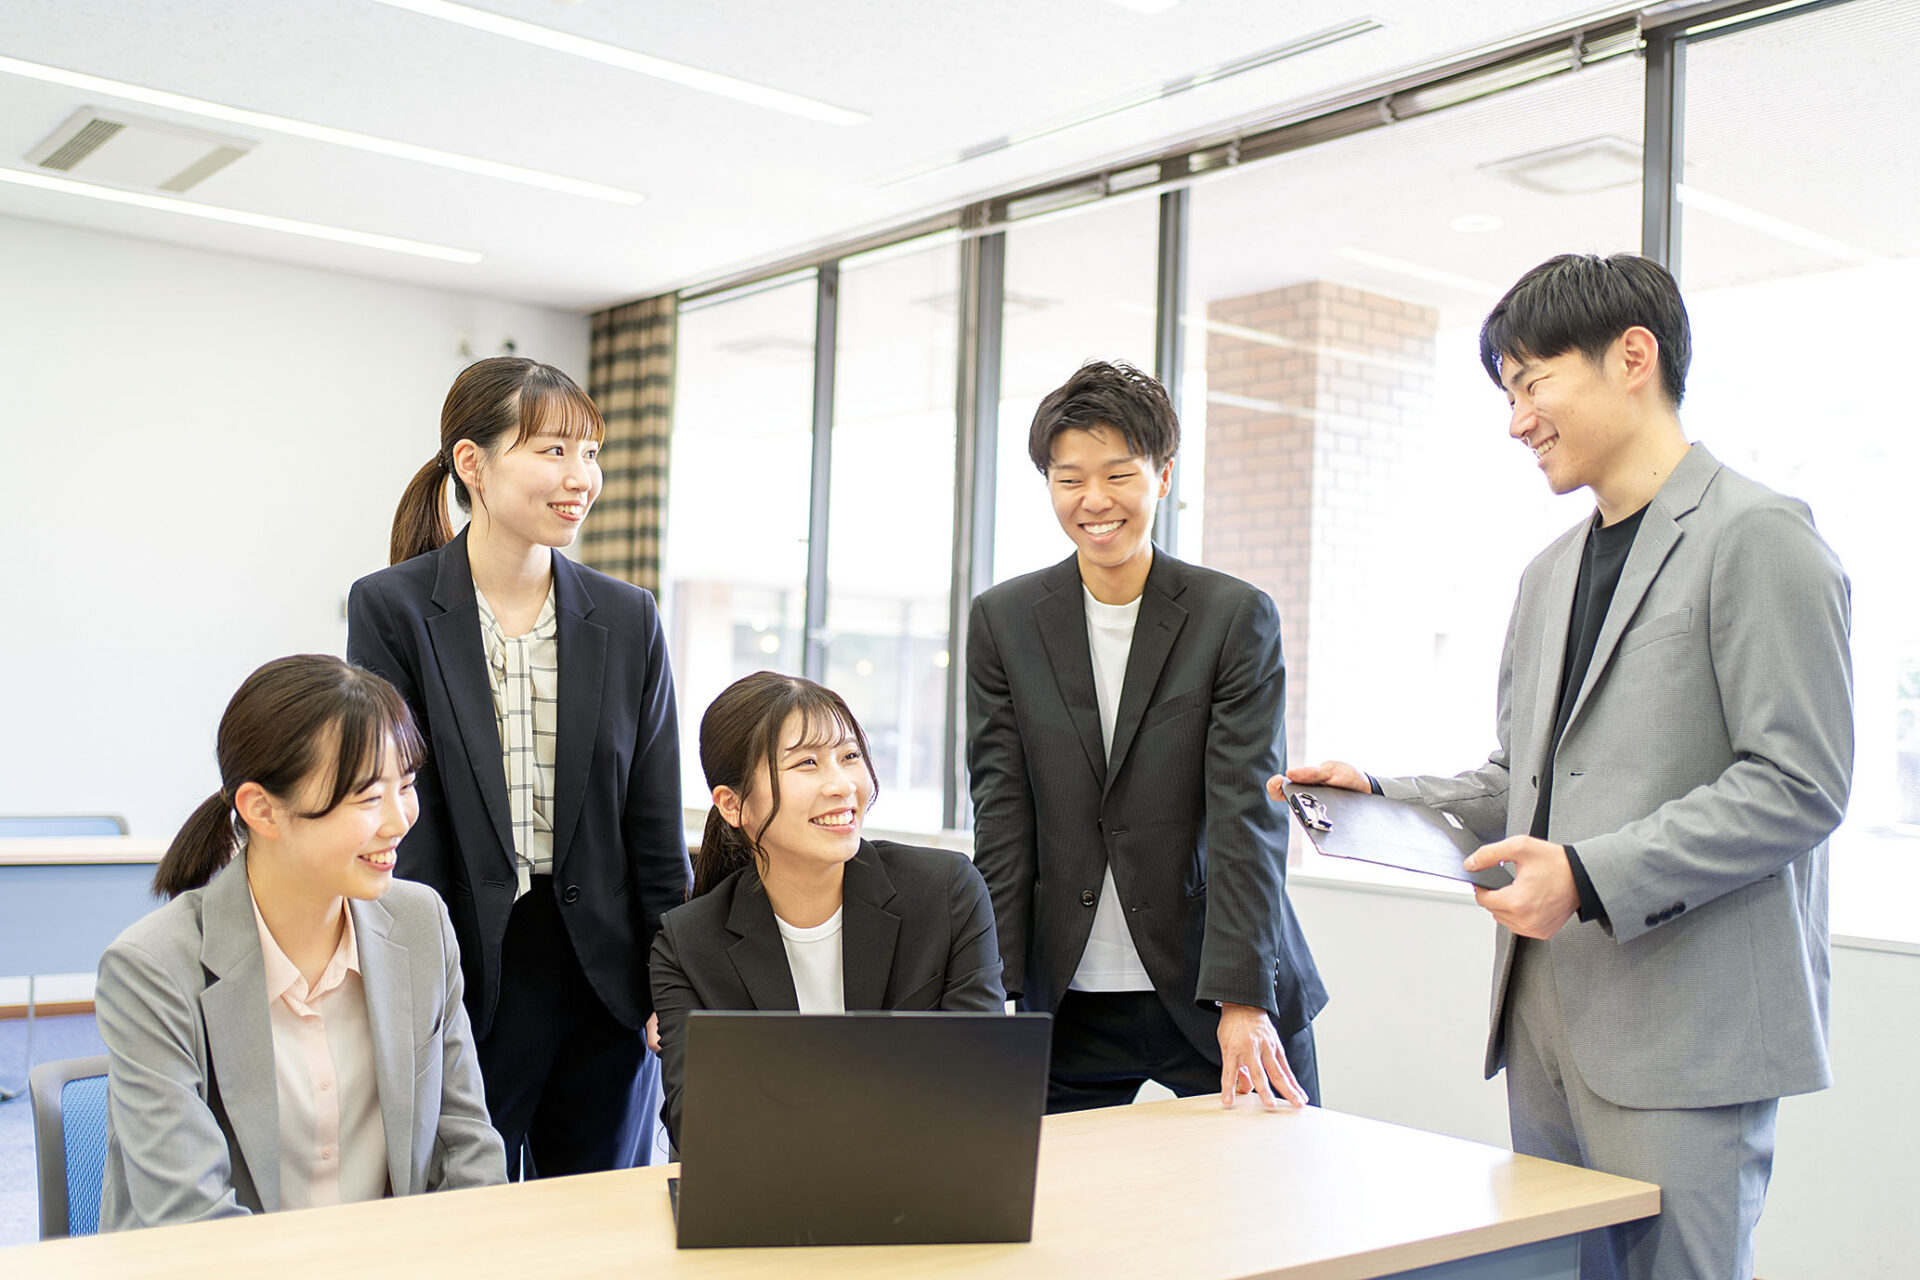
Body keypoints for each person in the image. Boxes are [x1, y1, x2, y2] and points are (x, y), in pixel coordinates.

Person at [1282, 253, 1851, 1280]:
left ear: (1633, 357)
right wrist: (1384, 795)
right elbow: (1528, 780)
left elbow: (1798, 783)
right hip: (1546, 1027)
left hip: (1688, 1037)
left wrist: (1586, 875)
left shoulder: (1759, 536)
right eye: (1508, 393)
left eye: (1532, 382)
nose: (1517, 421)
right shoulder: (1547, 574)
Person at [347, 356, 688, 1177]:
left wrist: (671, 982)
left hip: (606, 982)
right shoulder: (393, 608)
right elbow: (402, 816)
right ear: (473, 463)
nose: (580, 478)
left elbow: (652, 822)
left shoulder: (628, 617)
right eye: (553, 451)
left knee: (598, 1216)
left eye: (590, 453)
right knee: (465, 1212)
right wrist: (413, 985)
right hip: (466, 973)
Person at [967, 360, 1326, 1114]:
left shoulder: (1232, 617)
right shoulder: (1004, 621)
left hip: (1212, 987)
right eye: (1069, 480)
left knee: (1266, 1181)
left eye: (1118, 475)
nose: (1094, 501)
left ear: (1162, 476)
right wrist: (990, 990)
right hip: (1065, 998)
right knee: (1044, 1186)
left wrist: (1242, 999)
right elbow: (1002, 812)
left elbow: (1248, 815)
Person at [95, 655, 505, 1231]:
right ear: (262, 810)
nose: (399, 820)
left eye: (407, 786)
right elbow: (191, 1221)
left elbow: (469, 1151)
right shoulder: (153, 969)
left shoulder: (420, 925)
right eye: (368, 797)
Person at [649, 671, 1004, 1148]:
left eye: (850, 756)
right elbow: (699, 1126)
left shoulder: (946, 892)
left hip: (925, 1174)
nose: (842, 785)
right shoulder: (687, 944)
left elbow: (981, 1088)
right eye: (807, 763)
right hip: (774, 1188)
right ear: (733, 805)